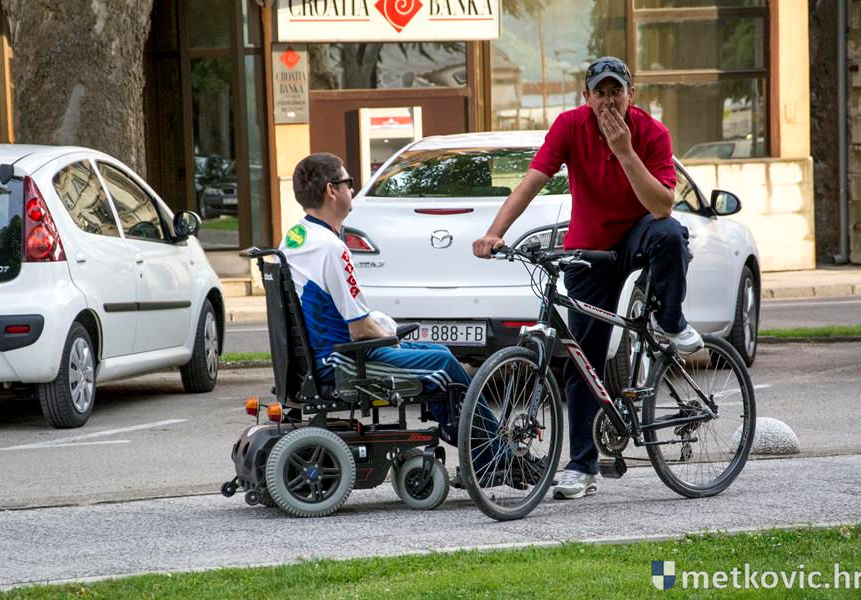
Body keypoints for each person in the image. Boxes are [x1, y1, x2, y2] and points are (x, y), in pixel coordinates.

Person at [472, 56, 701, 500]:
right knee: (582, 359)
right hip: (590, 249)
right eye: (600, 93)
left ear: (631, 94)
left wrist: (625, 151)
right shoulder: (569, 126)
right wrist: (495, 233)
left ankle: (671, 321)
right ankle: (581, 465)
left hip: (638, 236)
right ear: (586, 97)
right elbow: (531, 181)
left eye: (617, 91)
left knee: (671, 234)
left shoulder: (652, 133)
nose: (608, 101)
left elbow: (661, 206)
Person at [282, 152, 509, 478]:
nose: (352, 190)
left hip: (319, 358)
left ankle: (487, 453)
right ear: (332, 190)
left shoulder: (295, 238)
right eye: (348, 182)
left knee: (438, 352)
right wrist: (391, 337)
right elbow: (360, 328)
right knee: (444, 366)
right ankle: (495, 457)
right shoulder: (331, 248)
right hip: (341, 362)